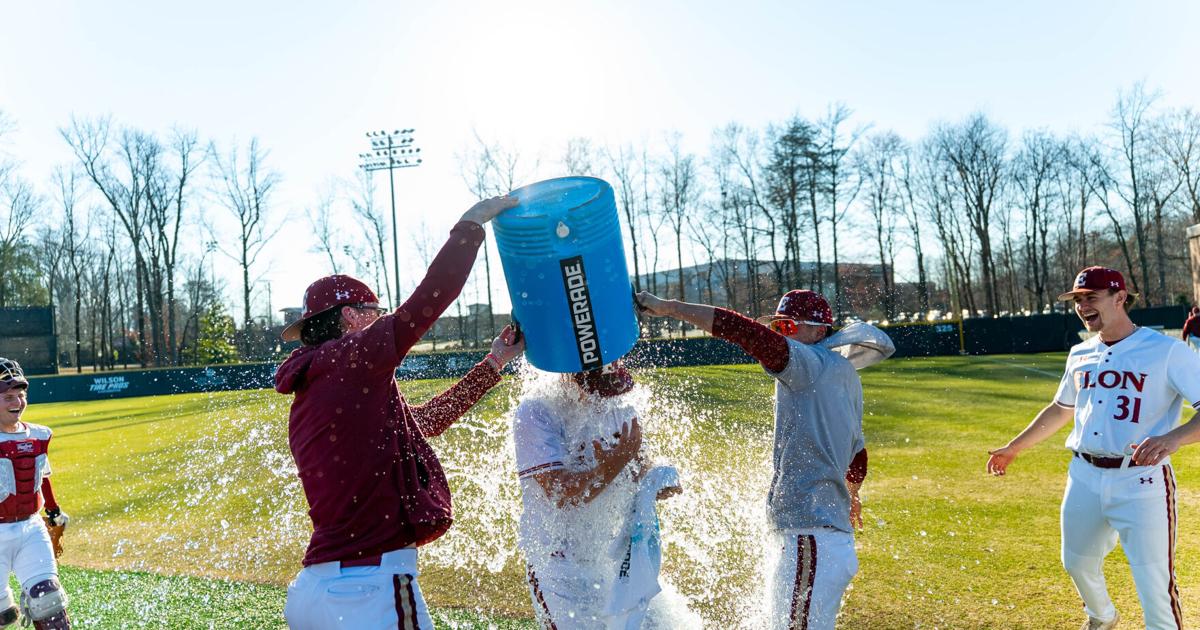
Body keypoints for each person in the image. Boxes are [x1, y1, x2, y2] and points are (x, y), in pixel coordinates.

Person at [275, 196, 525, 630]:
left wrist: (493, 364)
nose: (384, 318)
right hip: (366, 591)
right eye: (376, 311)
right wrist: (470, 225)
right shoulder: (352, 357)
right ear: (352, 317)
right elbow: (431, 298)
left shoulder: (324, 376)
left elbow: (423, 424)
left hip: (319, 594)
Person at [635, 289, 894, 630]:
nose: (777, 335)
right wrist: (853, 493)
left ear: (819, 331)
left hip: (810, 539)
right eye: (776, 327)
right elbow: (858, 454)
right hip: (819, 540)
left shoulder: (808, 364)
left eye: (787, 327)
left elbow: (744, 332)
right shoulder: (844, 373)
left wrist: (671, 308)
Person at [987, 266, 1200, 630]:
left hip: (1141, 479)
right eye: (1078, 300)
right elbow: (1060, 409)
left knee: (1155, 588)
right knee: (1077, 562)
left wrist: (1171, 439)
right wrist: (1014, 447)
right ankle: (1102, 616)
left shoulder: (1166, 351)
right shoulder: (1080, 353)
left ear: (1120, 298)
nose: (1082, 305)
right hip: (1083, 475)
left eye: (1091, 297)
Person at [513, 361, 697, 629]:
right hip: (559, 568)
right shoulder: (536, 412)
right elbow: (561, 494)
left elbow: (638, 466)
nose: (604, 398)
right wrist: (613, 465)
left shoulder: (618, 403)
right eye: (597, 390)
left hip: (613, 557)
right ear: (569, 379)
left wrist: (656, 479)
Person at [0, 359, 70, 630]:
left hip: (31, 528)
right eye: (7, 397)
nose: (17, 401)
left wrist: (52, 511)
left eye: (20, 395)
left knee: (49, 603)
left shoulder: (39, 436)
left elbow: (43, 477)